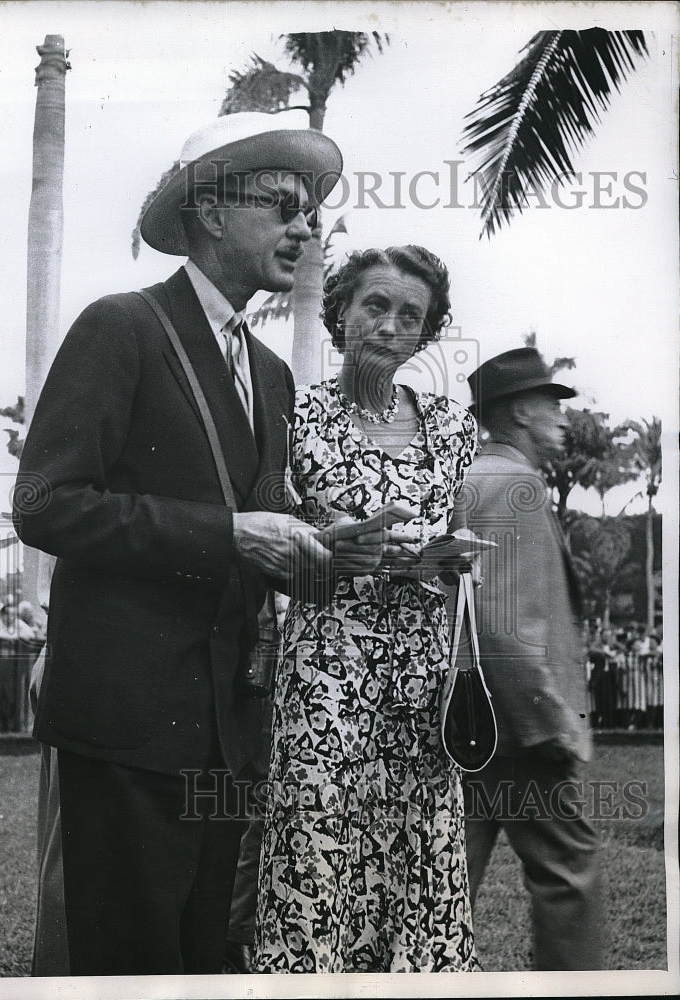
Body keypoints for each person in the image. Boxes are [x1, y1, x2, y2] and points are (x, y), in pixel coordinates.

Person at [13, 111, 385, 976]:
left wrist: (338, 544)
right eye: (282, 204)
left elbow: (262, 517)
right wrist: (229, 535)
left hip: (226, 725)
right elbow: (45, 504)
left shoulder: (272, 371)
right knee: (128, 964)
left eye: (313, 212)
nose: (306, 227)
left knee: (199, 961)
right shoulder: (123, 325)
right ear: (211, 212)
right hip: (127, 721)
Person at [253, 245, 480, 973]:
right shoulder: (294, 416)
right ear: (340, 313)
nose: (389, 325)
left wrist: (454, 556)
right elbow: (263, 552)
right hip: (327, 675)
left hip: (421, 679)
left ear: (427, 333)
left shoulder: (451, 427)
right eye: (375, 306)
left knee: (419, 855)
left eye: (410, 315)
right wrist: (323, 554)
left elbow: (450, 541)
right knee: (316, 857)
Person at [449, 346, 604, 970]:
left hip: (473, 724)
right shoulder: (515, 484)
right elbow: (505, 626)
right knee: (570, 873)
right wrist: (551, 722)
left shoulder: (475, 476)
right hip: (518, 731)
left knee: (448, 875)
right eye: (550, 402)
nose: (564, 416)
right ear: (517, 413)